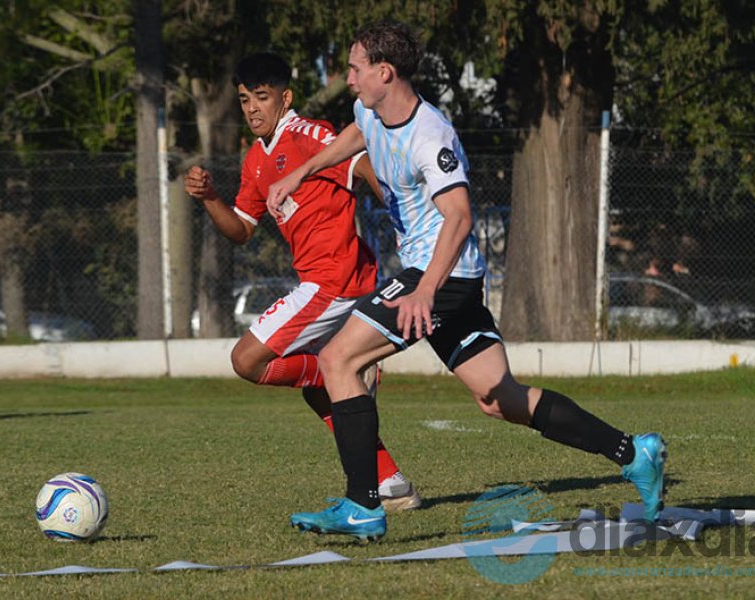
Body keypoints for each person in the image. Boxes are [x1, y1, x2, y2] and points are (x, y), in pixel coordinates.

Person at [267, 20, 667, 541]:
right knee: (498, 398)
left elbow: (458, 216)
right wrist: (304, 170)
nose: (348, 77)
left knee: (337, 358)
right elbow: (357, 135)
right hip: (443, 277)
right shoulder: (370, 109)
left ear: (384, 72)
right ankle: (634, 453)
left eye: (354, 68)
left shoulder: (431, 135)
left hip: (441, 276)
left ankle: (363, 503)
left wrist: (425, 291)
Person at [184, 52, 421, 511]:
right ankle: (390, 482)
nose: (252, 108)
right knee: (319, 393)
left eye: (262, 97)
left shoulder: (309, 135)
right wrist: (211, 198)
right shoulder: (256, 159)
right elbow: (241, 230)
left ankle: (350, 371)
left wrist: (401, 217)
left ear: (284, 98)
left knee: (246, 360)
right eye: (244, 99)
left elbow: (363, 164)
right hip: (322, 282)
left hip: (336, 280)